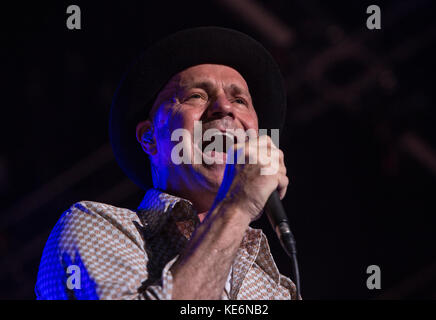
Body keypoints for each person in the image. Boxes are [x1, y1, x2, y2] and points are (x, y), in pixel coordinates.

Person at [35, 27, 298, 300]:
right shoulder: (97, 227)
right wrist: (237, 204)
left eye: (240, 100)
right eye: (196, 95)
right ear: (149, 137)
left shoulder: (277, 290)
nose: (225, 107)